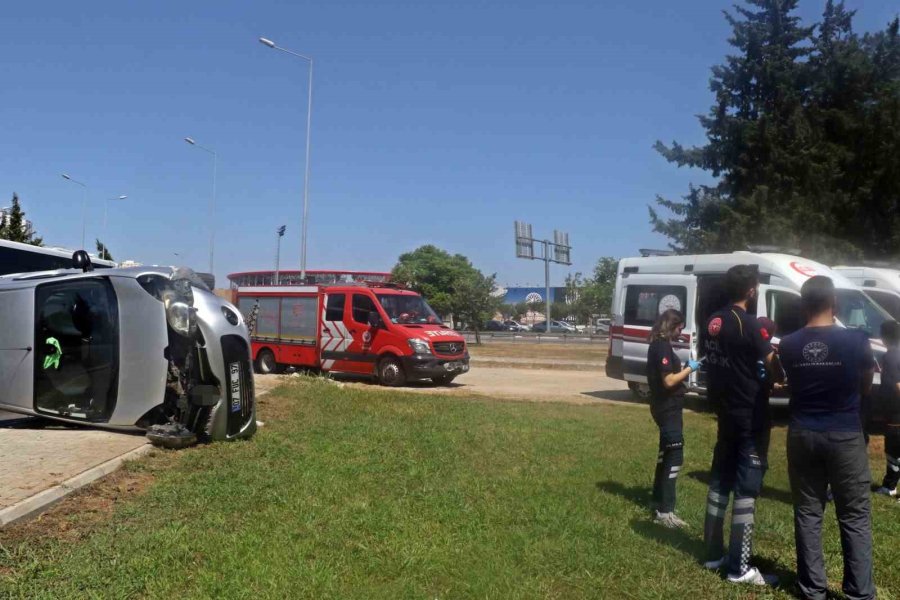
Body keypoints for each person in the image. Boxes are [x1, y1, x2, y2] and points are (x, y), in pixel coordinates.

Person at [780, 276, 876, 600]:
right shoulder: (857, 341)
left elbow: (792, 384)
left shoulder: (789, 345)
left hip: (803, 432)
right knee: (854, 515)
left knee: (808, 512)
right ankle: (859, 594)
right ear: (834, 302)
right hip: (845, 433)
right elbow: (865, 386)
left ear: (803, 305)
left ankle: (812, 590)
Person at [702, 265, 779, 586]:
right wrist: (781, 376)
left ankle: (711, 554)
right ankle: (740, 567)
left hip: (725, 413)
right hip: (750, 415)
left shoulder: (713, 321)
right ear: (751, 290)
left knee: (720, 481)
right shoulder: (749, 325)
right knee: (746, 490)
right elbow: (772, 363)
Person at [646, 309, 700, 528]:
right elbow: (668, 381)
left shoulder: (660, 345)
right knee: (674, 456)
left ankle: (657, 500)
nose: (681, 332)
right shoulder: (661, 347)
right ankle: (666, 512)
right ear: (672, 325)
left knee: (665, 453)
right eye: (679, 327)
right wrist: (689, 369)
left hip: (666, 406)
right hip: (667, 407)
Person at [877, 319, 900, 497]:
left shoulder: (891, 356)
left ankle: (890, 486)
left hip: (895, 413)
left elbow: (897, 385)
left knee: (893, 449)